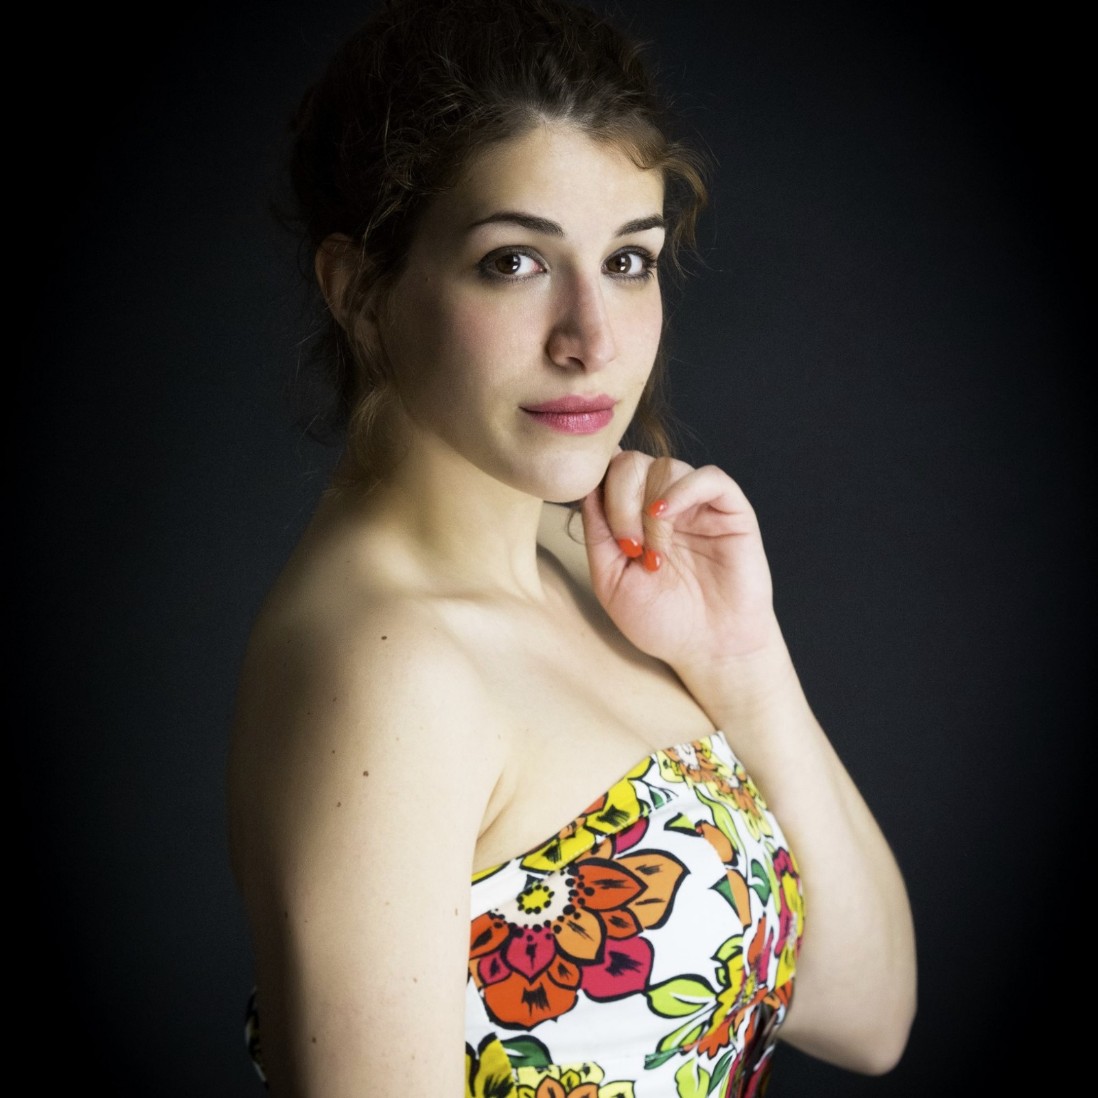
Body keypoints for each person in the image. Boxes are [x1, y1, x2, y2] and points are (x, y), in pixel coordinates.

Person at [226, 0, 918, 1094]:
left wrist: (742, 660)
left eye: (629, 261)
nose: (591, 339)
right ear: (360, 292)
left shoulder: (583, 564)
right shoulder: (388, 671)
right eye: (514, 261)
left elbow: (866, 1016)